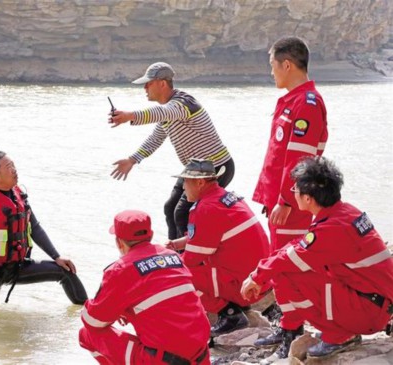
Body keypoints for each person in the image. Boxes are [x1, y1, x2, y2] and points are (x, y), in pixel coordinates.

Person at [241, 156, 393, 361]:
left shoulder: (332, 228)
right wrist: (260, 272)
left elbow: (289, 259)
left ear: (308, 199)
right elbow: (297, 248)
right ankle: (310, 328)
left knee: (286, 271)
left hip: (370, 312)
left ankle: (339, 334)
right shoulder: (343, 212)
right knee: (286, 263)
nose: (293, 193)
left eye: (295, 190)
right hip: (376, 303)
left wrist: (256, 277)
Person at [109, 62, 235, 240]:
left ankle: (191, 257)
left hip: (215, 168)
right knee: (171, 208)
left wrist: (130, 116)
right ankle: (175, 253)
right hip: (195, 170)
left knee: (183, 212)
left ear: (162, 83)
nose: (145, 88)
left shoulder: (182, 104)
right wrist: (132, 160)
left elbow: (160, 113)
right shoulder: (170, 111)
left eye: (148, 83)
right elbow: (156, 138)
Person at [79, 210, 211, 364]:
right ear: (151, 234)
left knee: (87, 334)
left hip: (162, 361)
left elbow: (93, 321)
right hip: (200, 356)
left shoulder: (120, 270)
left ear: (119, 242)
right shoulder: (172, 256)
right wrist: (127, 311)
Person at [0, 151, 87, 309]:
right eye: (8, 167)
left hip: (17, 267)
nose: (14, 169)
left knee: (65, 271)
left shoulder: (18, 196)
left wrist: (56, 256)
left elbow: (35, 228)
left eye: (13, 165)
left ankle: (90, 315)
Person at [166, 158, 270, 337]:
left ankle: (230, 314)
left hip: (244, 284)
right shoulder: (223, 197)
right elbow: (208, 237)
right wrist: (176, 245)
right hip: (257, 276)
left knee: (175, 274)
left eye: (186, 182)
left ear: (199, 182)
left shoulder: (206, 208)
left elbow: (191, 259)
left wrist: (165, 260)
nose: (183, 187)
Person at [252, 36, 328, 252]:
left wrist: (285, 201)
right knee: (279, 260)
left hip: (293, 205)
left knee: (287, 266)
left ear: (286, 65)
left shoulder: (307, 104)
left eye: (272, 66)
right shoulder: (294, 100)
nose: (271, 72)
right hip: (280, 198)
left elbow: (300, 159)